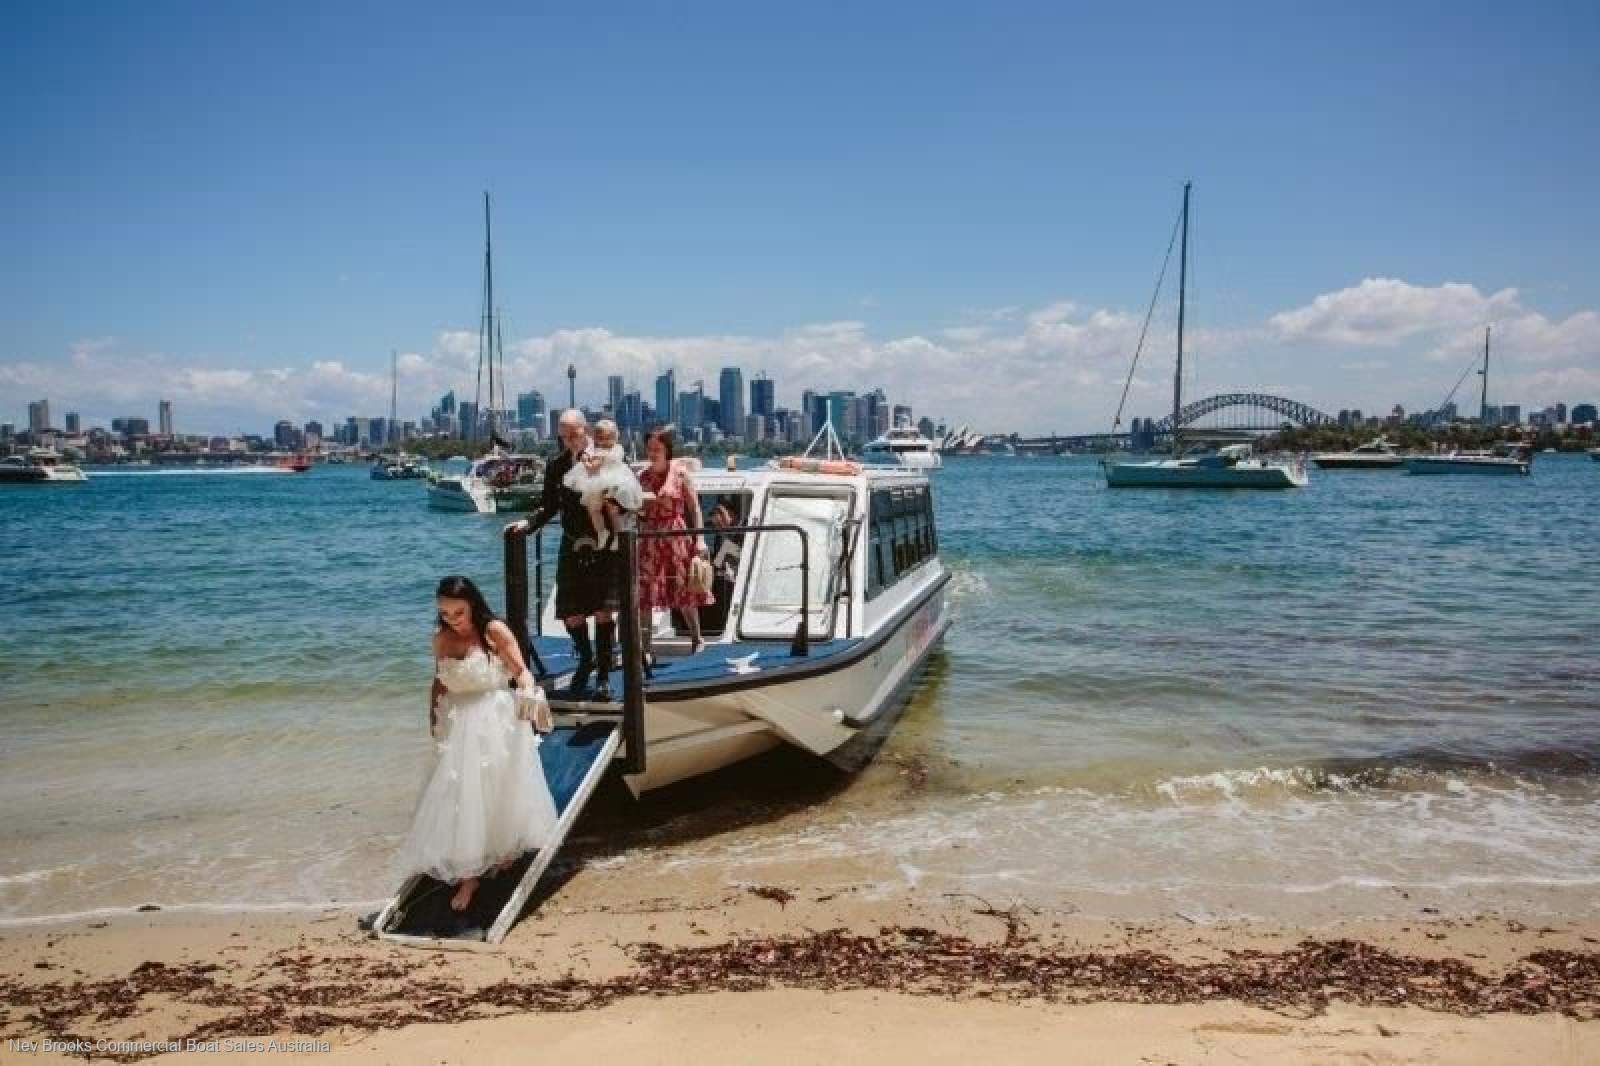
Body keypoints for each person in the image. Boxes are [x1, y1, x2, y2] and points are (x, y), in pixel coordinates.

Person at [394, 576, 558, 914]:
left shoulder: (493, 630)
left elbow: (521, 671)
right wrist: (433, 718)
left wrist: (529, 692)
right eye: (445, 613)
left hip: (494, 718)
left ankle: (493, 857)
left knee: (494, 790)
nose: (452, 620)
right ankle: (469, 872)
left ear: (472, 605)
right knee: (458, 795)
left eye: (459, 612)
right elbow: (439, 682)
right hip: (457, 721)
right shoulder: (442, 638)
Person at [511, 409, 622, 700]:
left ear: (586, 430)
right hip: (572, 544)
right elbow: (549, 505)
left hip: (603, 544)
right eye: (564, 436)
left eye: (574, 434)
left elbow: (622, 495)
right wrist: (528, 524)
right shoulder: (557, 465)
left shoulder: (605, 457)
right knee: (571, 613)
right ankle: (586, 660)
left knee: (603, 612)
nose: (570, 441)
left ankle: (604, 676)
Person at [636, 427, 714, 664]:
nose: (652, 453)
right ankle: (645, 648)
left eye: (657, 449)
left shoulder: (680, 474)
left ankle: (697, 639)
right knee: (646, 593)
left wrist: (700, 539)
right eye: (649, 449)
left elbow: (695, 508)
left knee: (684, 589)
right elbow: (637, 511)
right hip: (650, 537)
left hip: (676, 536)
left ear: (667, 450)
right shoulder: (642, 477)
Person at [561, 418, 643, 551]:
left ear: (615, 437)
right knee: (593, 509)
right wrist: (586, 456)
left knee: (612, 510)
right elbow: (588, 455)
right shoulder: (594, 449)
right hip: (596, 483)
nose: (604, 441)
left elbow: (592, 467)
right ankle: (602, 532)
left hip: (611, 482)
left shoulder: (613, 451)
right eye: (600, 438)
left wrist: (585, 461)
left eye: (608, 438)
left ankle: (616, 535)